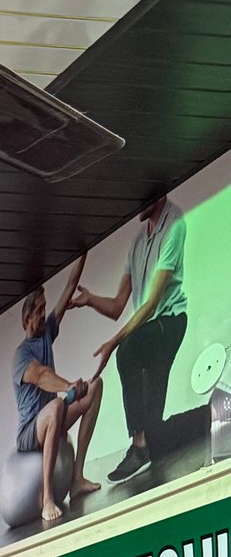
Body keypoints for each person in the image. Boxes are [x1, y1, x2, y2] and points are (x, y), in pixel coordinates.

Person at [73, 195, 188, 483]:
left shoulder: (175, 224)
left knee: (128, 350)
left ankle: (138, 446)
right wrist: (90, 300)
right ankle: (165, 438)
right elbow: (116, 306)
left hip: (170, 322)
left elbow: (151, 304)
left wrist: (113, 343)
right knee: (155, 426)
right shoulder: (137, 241)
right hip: (150, 328)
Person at [11, 258, 103, 525]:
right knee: (55, 407)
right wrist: (68, 386)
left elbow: (70, 285)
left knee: (95, 386)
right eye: (38, 310)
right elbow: (42, 376)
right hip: (30, 431)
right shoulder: (20, 355)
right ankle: (47, 498)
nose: (43, 314)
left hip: (54, 416)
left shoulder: (47, 332)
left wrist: (83, 250)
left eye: (44, 308)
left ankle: (77, 479)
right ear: (27, 318)